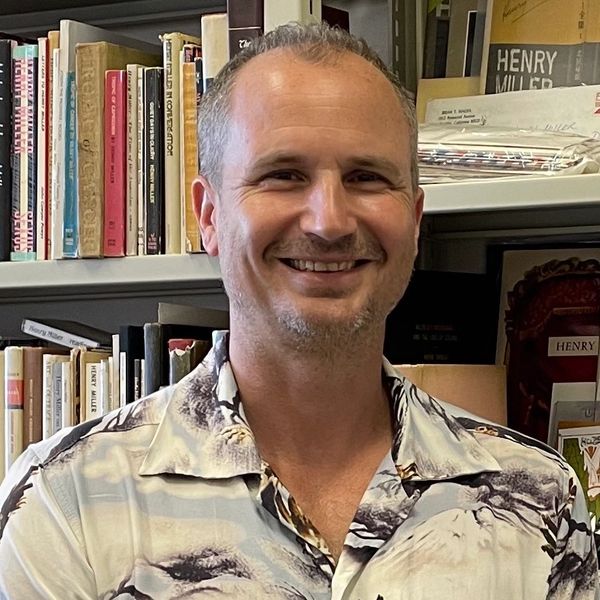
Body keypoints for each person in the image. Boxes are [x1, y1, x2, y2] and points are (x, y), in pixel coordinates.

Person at [0, 22, 598, 600]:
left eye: (367, 177)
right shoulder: (64, 501)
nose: (329, 222)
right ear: (209, 216)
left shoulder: (540, 500)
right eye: (282, 175)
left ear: (415, 221)